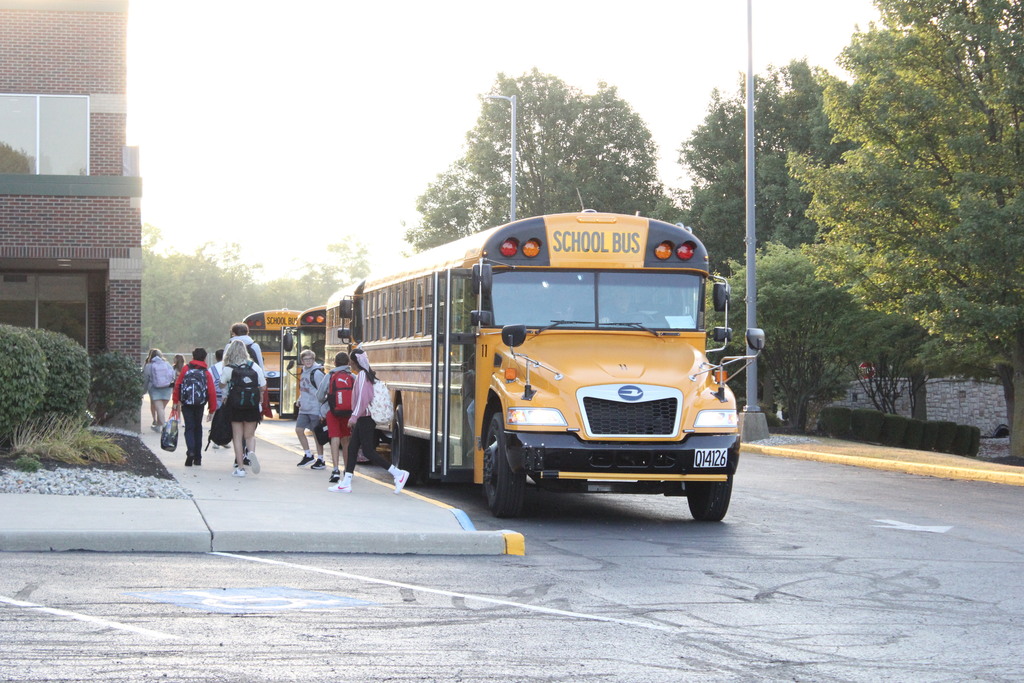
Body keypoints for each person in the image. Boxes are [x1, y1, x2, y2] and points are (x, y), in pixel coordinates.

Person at [329, 348, 408, 494]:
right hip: (365, 417)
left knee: (368, 451)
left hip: (365, 417)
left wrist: (353, 417)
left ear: (354, 362)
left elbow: (363, 399)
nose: (350, 364)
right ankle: (346, 482)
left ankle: (398, 473)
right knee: (352, 448)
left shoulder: (362, 376)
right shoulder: (366, 374)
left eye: (351, 362)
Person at [219, 338, 267, 478]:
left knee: (237, 437)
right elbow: (263, 386)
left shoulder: (229, 368)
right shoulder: (254, 366)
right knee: (250, 436)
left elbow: (221, 384)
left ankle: (240, 468)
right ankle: (251, 453)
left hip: (235, 405)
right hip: (251, 404)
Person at [171, 347, 219, 467]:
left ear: (193, 357)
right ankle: (198, 457)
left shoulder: (186, 369)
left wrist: (175, 401)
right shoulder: (206, 372)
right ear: (205, 358)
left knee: (189, 428)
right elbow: (211, 391)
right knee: (198, 428)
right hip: (200, 404)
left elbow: (178, 385)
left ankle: (190, 451)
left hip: (186, 403)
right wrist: (212, 409)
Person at [316, 351, 354, 484]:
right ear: (348, 363)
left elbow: (319, 396)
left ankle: (335, 469)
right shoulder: (352, 376)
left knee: (335, 438)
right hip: (348, 413)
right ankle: (347, 470)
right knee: (346, 440)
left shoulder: (330, 376)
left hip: (332, 412)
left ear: (334, 363)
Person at [294, 349, 328, 471]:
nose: (308, 361)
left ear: (314, 360)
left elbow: (323, 391)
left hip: (315, 408)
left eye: (310, 359)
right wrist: (300, 399)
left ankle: (321, 459)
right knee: (299, 430)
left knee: (316, 434)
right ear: (302, 361)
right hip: (304, 408)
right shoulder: (304, 372)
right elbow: (304, 388)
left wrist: (321, 411)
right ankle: (308, 454)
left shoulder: (317, 373)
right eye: (305, 359)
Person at [142, 349, 175, 432]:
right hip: (167, 389)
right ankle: (158, 426)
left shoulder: (148, 366)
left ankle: (164, 426)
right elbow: (173, 376)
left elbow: (145, 379)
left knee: (160, 409)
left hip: (155, 389)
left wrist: (143, 391)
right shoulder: (167, 364)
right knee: (162, 409)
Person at [209, 348, 227, 450]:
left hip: (216, 396)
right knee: (226, 418)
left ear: (216, 357)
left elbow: (210, 384)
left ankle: (215, 440)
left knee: (216, 418)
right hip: (227, 397)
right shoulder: (229, 367)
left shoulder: (212, 369)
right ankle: (225, 438)